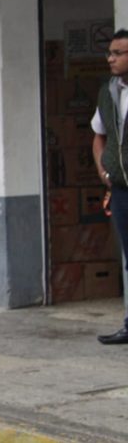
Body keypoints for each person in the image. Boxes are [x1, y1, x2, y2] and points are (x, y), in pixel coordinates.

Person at [92, 29, 128, 345]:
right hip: (120, 190)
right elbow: (98, 135)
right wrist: (104, 173)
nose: (111, 58)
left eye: (118, 53)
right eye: (110, 53)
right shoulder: (108, 92)